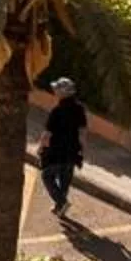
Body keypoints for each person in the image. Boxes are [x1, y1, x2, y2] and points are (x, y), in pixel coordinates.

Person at [44, 78, 88, 216]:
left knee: (47, 176)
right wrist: (82, 150)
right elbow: (82, 132)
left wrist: (40, 147)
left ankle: (62, 202)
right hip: (72, 152)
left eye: (57, 89)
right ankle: (60, 208)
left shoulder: (56, 111)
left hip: (57, 151)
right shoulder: (80, 109)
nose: (55, 92)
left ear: (63, 93)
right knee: (65, 181)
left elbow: (47, 133)